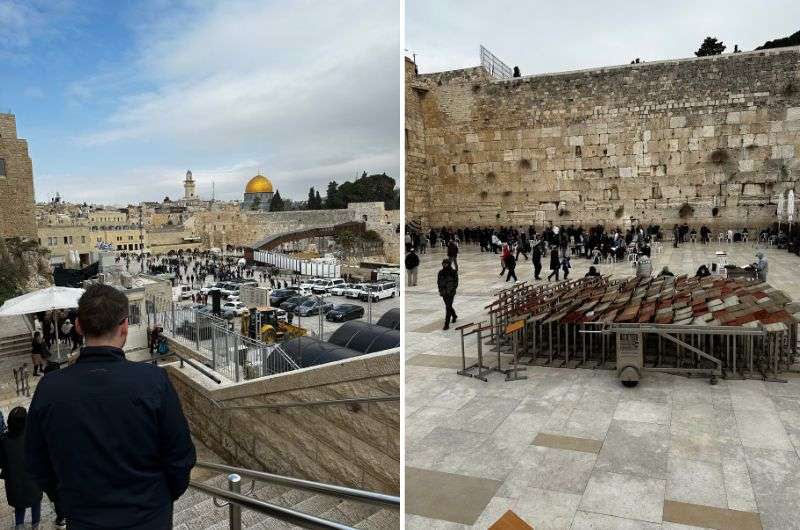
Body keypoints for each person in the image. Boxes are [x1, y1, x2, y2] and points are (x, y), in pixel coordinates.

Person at [25, 284, 196, 530]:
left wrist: (65, 502)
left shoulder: (49, 389)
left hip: (84, 518)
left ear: (79, 326)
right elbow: (180, 455)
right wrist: (161, 499)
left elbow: (36, 463)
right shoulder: (153, 381)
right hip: (149, 517)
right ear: (124, 326)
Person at [0, 407, 46, 529]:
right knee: (36, 504)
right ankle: (36, 526)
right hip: (34, 483)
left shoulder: (4, 441)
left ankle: (19, 526)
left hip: (15, 485)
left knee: (19, 506)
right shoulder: (33, 437)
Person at [437, 259, 458, 330]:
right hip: (443, 292)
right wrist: (440, 290)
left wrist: (452, 290)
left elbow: (456, 282)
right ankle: (454, 315)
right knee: (448, 306)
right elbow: (439, 282)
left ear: (449, 264)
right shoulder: (440, 272)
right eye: (443, 264)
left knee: (448, 307)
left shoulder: (453, 272)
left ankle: (446, 324)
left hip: (451, 292)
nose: (444, 265)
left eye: (446, 264)